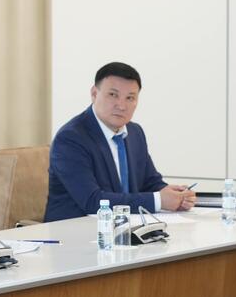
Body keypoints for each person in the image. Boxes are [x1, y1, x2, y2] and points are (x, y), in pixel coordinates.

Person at [44, 62, 196, 222]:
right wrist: (159, 200)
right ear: (94, 94)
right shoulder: (70, 138)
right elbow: (92, 201)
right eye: (113, 95)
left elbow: (150, 182)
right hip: (74, 231)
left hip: (124, 228)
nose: (122, 106)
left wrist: (174, 195)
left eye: (130, 98)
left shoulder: (135, 132)